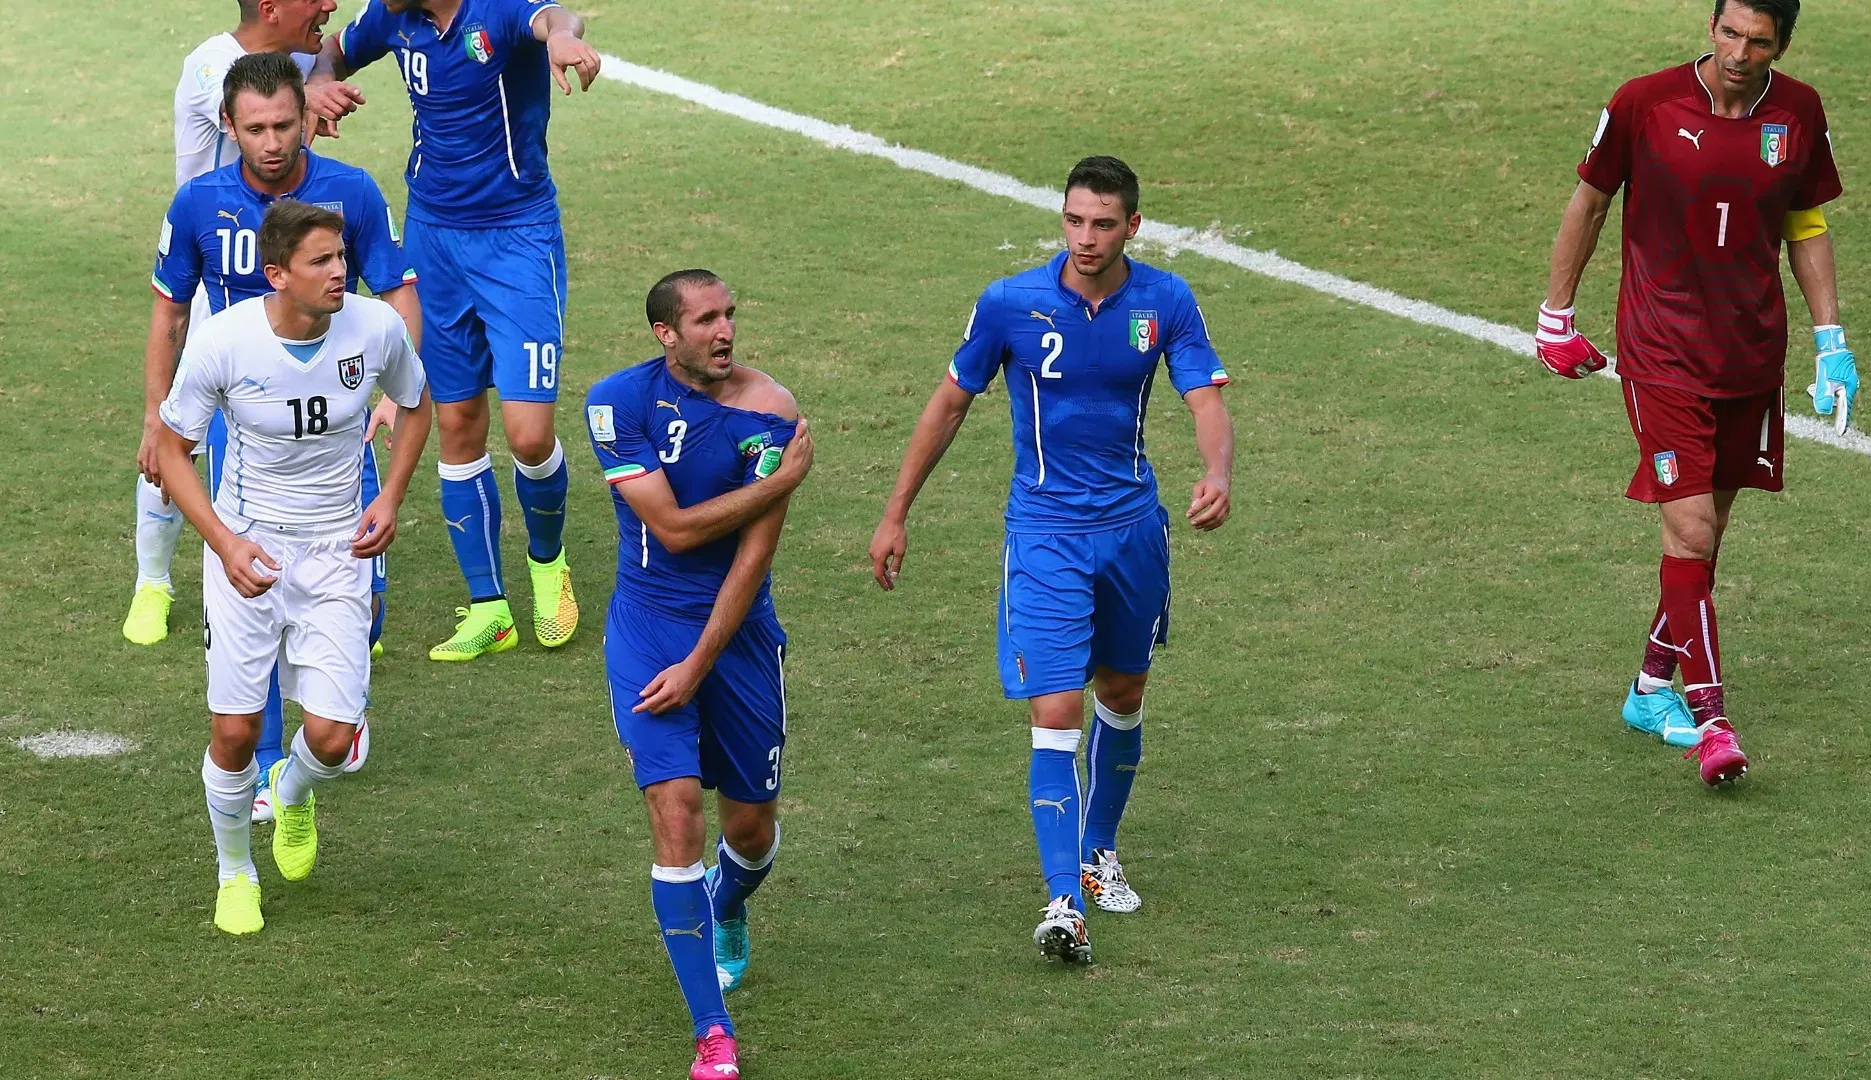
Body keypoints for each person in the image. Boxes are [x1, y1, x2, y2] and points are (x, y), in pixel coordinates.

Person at [868, 157, 1235, 963]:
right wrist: (896, 513)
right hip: (1043, 535)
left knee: (1124, 691)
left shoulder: (1165, 301)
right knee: (1055, 712)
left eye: (1104, 223)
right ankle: (1062, 899)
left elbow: (1204, 396)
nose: (1087, 237)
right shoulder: (1010, 303)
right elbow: (950, 403)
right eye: (1075, 221)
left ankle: (1099, 850)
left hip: (1134, 530)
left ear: (1132, 226)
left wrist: (1217, 473)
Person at [1536, 0, 1850, 787]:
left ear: (1783, 43)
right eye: (1730, 33)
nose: (1740, 53)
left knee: (1706, 541)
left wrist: (1832, 341)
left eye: (1760, 41)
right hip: (1662, 351)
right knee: (1693, 535)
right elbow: (1591, 201)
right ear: (1710, 26)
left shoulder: (1800, 112)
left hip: (1749, 355)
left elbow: (1805, 225)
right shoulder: (1644, 102)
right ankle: (1713, 722)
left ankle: (1649, 690)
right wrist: (1554, 317)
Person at [144, 52, 422, 815]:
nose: (271, 142)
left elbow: (396, 292)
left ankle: (327, 701)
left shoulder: (351, 192)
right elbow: (170, 316)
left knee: (368, 591)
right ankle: (269, 769)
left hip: (339, 418)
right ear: (228, 128)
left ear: (308, 118)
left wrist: (396, 397)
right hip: (244, 414)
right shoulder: (198, 202)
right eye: (255, 128)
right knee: (252, 579)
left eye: (285, 125)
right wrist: (153, 416)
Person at [152, 199, 430, 935]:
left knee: (335, 740)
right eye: (321, 262)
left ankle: (296, 790)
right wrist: (222, 541)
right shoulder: (223, 342)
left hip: (339, 550)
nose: (340, 272)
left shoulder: (375, 329)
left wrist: (392, 497)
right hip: (249, 547)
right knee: (236, 732)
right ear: (277, 274)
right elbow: (169, 452)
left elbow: (416, 405)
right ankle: (235, 870)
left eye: (341, 258)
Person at [308, 0, 603, 661]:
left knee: (528, 433)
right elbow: (335, 48)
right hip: (434, 238)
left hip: (518, 239)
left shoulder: (497, 13)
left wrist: (563, 40)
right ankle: (489, 607)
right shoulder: (393, 16)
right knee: (458, 419)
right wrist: (317, 81)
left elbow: (556, 19)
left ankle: (548, 563)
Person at [586, 270, 814, 1080]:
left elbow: (753, 556)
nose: (725, 331)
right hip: (648, 631)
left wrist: (703, 662)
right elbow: (676, 532)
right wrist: (783, 479)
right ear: (665, 334)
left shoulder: (771, 410)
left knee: (749, 833)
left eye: (730, 315)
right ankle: (712, 1033)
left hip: (739, 633)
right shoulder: (615, 402)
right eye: (706, 320)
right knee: (679, 819)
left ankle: (726, 908)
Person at [127, 0, 363, 646]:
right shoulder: (213, 68)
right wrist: (313, 96)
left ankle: (307, 581)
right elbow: (263, 131)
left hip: (286, 287)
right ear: (271, 8)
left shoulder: (289, 63)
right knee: (177, 437)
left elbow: (337, 56)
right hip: (214, 285)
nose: (327, 5)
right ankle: (153, 582)